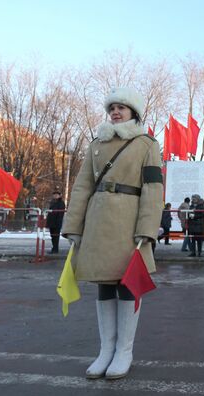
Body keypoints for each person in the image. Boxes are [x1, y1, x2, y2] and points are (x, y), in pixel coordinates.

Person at [61, 87, 163, 379]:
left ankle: (124, 351)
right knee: (104, 283)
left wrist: (146, 228)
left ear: (134, 113)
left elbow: (153, 189)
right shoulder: (96, 145)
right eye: (112, 108)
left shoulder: (146, 144)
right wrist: (74, 226)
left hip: (129, 222)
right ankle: (106, 350)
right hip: (97, 219)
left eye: (122, 107)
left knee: (127, 283)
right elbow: (82, 187)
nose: (116, 112)